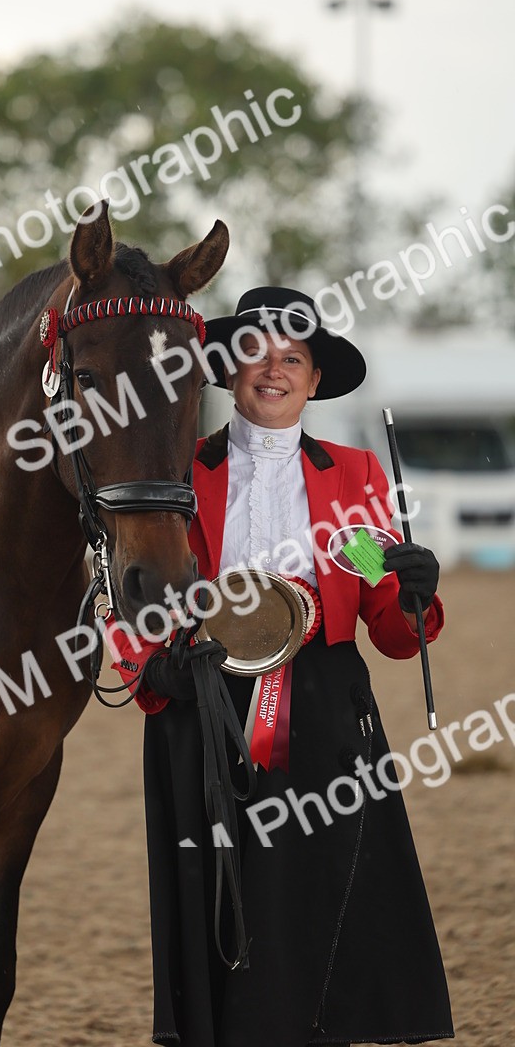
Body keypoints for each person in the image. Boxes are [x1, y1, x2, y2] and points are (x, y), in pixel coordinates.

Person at [110, 287, 454, 1047]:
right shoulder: (181, 471)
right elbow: (126, 587)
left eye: (292, 358)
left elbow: (385, 610)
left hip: (326, 707)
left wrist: (412, 593)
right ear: (229, 370)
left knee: (316, 886)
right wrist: (147, 669)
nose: (274, 370)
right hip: (201, 699)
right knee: (217, 888)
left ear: (316, 379)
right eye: (256, 354)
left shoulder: (353, 479)